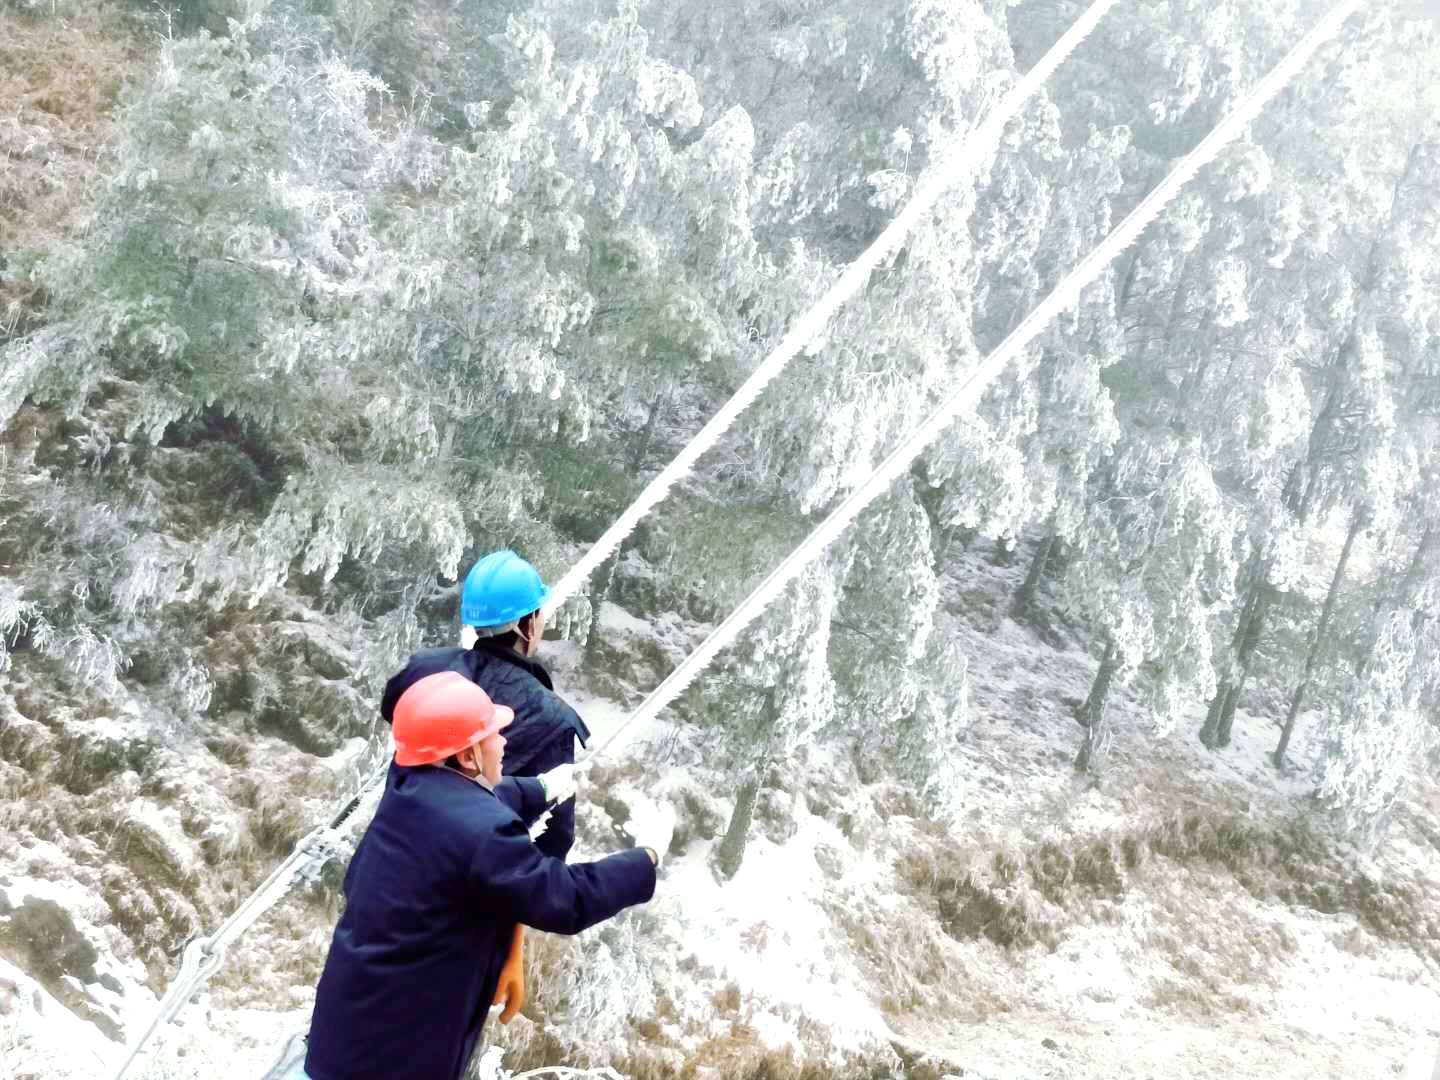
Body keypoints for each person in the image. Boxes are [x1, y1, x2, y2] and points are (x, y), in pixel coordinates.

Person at [301, 671, 672, 1080]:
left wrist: (542, 788)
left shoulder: (407, 784)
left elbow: (473, 801)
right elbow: (565, 899)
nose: (504, 741)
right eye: (494, 733)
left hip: (342, 1036)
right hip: (396, 1057)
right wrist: (647, 859)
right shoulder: (483, 835)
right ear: (466, 756)